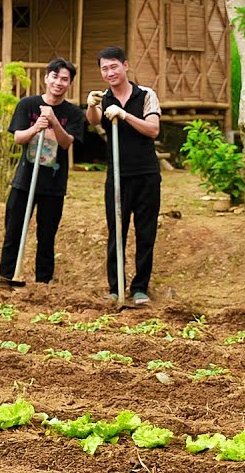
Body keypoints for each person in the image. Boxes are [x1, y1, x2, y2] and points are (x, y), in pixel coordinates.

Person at [84, 46, 162, 306]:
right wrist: (92, 105)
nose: (110, 72)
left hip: (146, 174)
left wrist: (125, 115)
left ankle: (140, 288)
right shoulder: (104, 97)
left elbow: (153, 129)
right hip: (117, 175)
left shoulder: (146, 95)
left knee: (145, 232)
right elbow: (94, 121)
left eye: (114, 66)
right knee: (116, 231)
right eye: (104, 68)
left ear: (125, 66)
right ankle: (115, 288)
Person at [0, 58, 84, 286]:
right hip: (24, 180)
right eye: (54, 76)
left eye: (64, 79)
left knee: (47, 235)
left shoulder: (73, 113)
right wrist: (36, 127)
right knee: (14, 229)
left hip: (53, 184)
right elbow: (18, 137)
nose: (58, 82)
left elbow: (66, 143)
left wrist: (54, 122)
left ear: (70, 83)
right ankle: (7, 277)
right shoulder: (28, 105)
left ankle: (43, 283)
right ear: (46, 78)